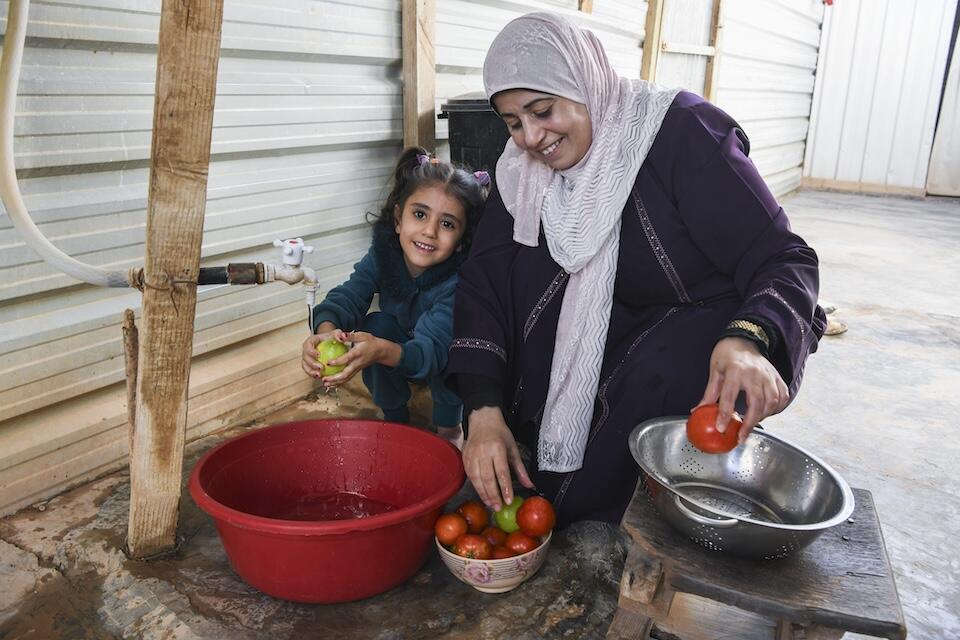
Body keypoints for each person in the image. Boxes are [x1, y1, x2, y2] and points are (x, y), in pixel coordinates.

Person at [445, 13, 827, 526]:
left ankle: (636, 505)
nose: (531, 138)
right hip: (598, 330)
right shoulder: (521, 173)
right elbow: (484, 285)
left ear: (584, 81)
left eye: (543, 110)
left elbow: (784, 257)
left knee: (650, 398)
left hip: (687, 330)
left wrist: (748, 341)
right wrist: (482, 407)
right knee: (523, 284)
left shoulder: (679, 132)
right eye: (514, 123)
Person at [301, 147, 490, 447]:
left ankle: (450, 427)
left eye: (447, 224)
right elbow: (347, 297)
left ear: (460, 242)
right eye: (419, 214)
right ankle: (395, 418)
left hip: (438, 356)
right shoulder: (384, 256)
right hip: (399, 343)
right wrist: (325, 335)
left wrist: (379, 351)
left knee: (459, 348)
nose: (429, 231)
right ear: (399, 219)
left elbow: (431, 352)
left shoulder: (459, 282)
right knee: (374, 327)